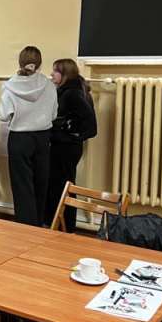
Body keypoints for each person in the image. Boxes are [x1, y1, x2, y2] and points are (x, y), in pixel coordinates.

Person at [0, 46, 58, 227]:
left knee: (21, 185)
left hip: (19, 138)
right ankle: (38, 223)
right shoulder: (48, 85)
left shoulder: (10, 85)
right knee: (41, 182)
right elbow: (54, 114)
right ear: (39, 63)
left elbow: (3, 115)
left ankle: (25, 226)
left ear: (20, 62)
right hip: (43, 137)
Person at [45, 59, 98, 232]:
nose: (52, 74)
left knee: (61, 186)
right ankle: (61, 224)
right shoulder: (73, 90)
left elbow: (90, 125)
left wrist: (71, 134)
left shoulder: (72, 93)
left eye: (55, 71)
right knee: (62, 184)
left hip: (65, 147)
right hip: (66, 146)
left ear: (65, 74)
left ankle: (63, 225)